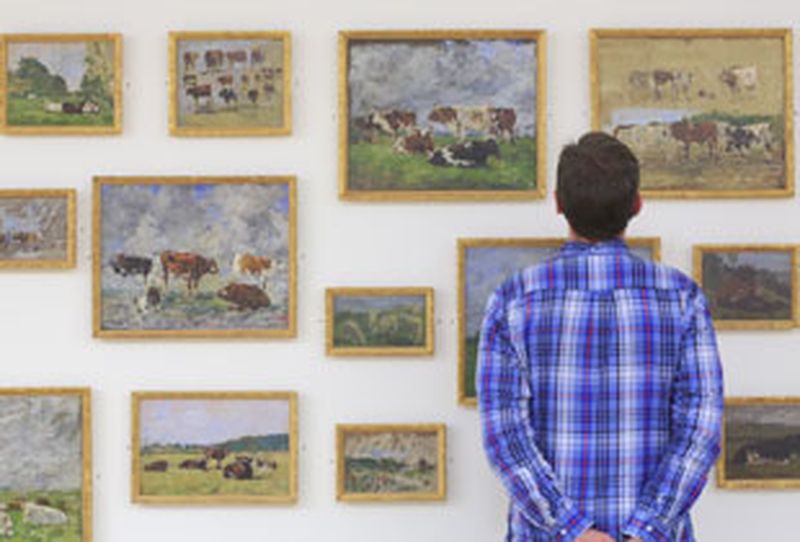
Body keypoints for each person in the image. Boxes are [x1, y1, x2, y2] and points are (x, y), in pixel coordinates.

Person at [477, 132, 723, 542]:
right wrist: (646, 529)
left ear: (558, 203)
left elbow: (505, 437)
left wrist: (571, 529)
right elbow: (702, 429)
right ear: (637, 204)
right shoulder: (682, 298)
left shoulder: (513, 300)